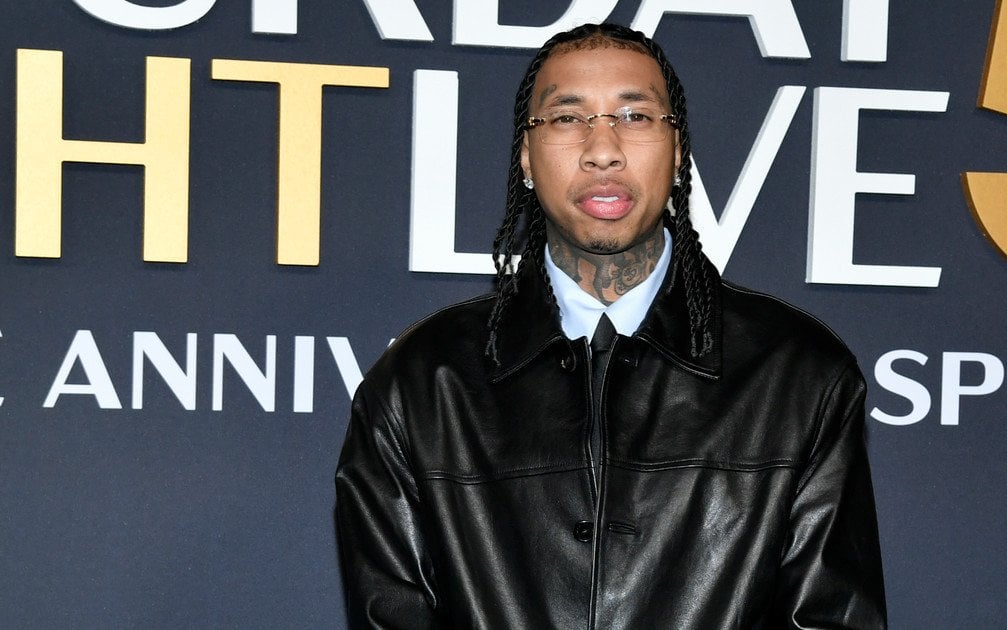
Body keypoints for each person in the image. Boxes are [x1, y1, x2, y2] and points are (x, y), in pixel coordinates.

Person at [335, 23, 886, 629]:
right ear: (525, 156)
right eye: (568, 118)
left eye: (635, 116)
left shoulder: (798, 375)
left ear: (678, 152)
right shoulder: (420, 384)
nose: (603, 149)